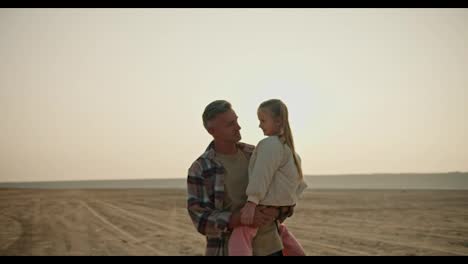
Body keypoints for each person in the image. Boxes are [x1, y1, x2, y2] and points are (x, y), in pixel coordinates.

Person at [187, 100, 291, 256]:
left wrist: (276, 211)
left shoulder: (256, 153)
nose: (238, 127)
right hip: (229, 250)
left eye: (236, 120)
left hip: (273, 248)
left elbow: (286, 189)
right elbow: (200, 219)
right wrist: (241, 218)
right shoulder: (200, 168)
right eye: (230, 124)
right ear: (212, 130)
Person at [228, 99, 308, 256]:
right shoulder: (292, 152)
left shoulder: (269, 144)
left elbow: (261, 174)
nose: (259, 125)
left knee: (240, 236)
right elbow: (300, 185)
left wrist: (252, 202)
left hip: (262, 206)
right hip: (276, 213)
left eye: (263, 120)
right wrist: (282, 208)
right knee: (281, 232)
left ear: (278, 121)